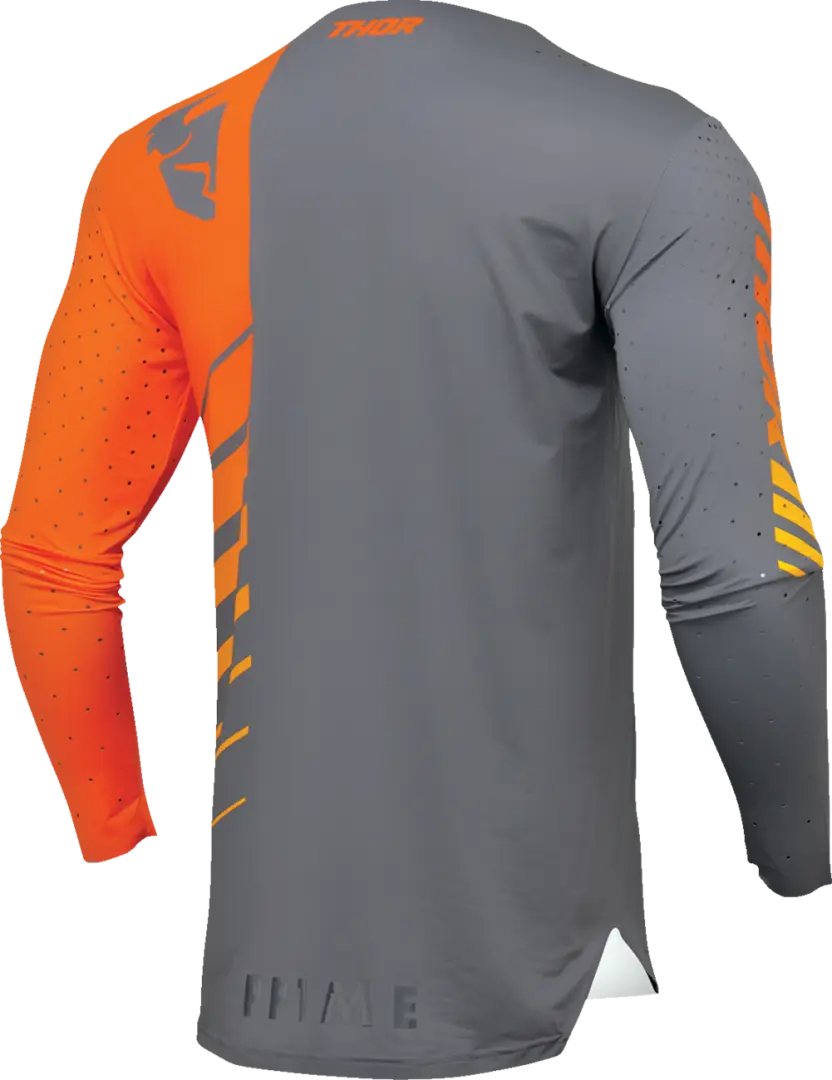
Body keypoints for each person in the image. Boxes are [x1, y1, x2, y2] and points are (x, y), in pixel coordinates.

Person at [0, 3, 827, 1077]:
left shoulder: (157, 163)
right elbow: (740, 566)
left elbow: (54, 553)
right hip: (551, 975)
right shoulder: (650, 146)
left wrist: (109, 821)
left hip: (266, 969)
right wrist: (798, 864)